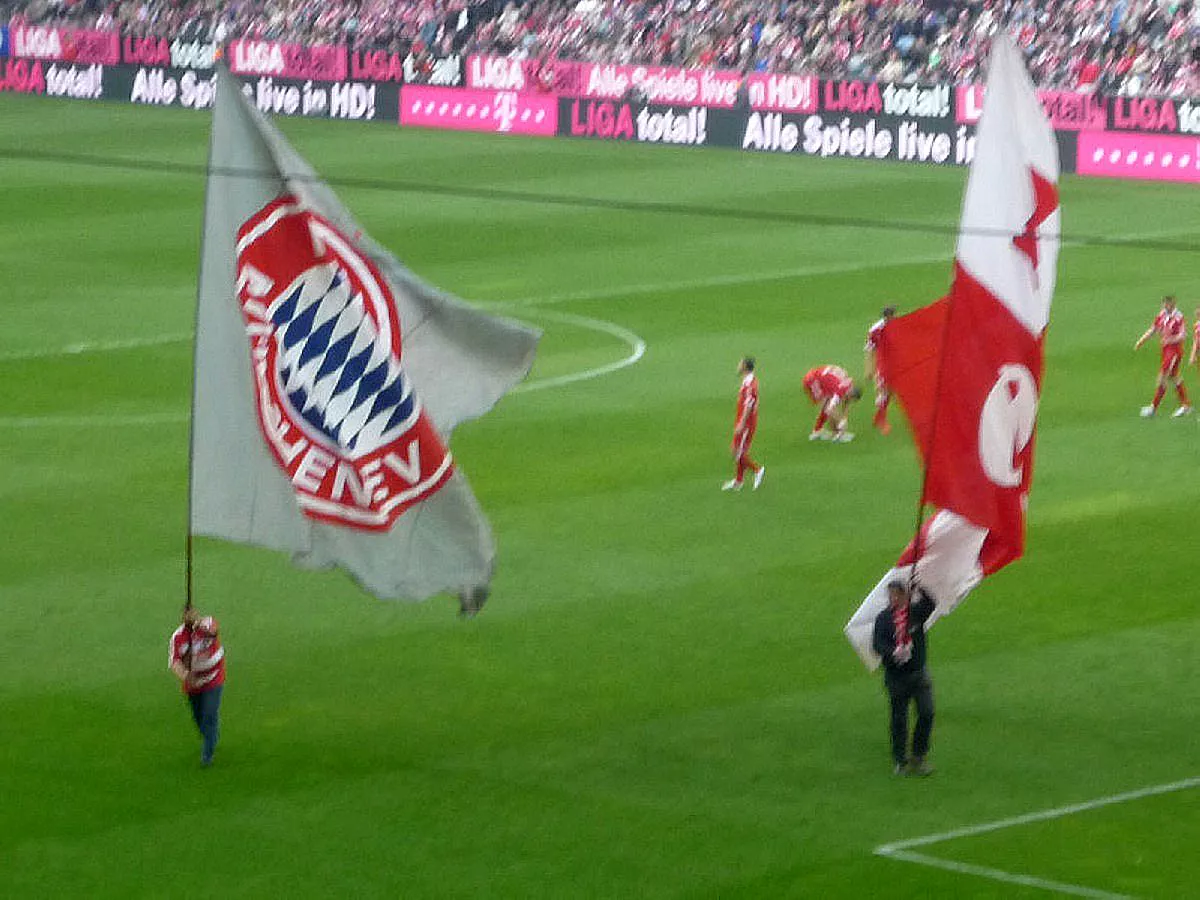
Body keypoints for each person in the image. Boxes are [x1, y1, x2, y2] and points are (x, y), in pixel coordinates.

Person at [872, 579, 937, 777]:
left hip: (918, 674)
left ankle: (918, 755)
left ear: (905, 596)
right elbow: (877, 644)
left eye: (897, 595)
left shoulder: (915, 613)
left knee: (927, 713)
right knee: (899, 719)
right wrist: (894, 652)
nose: (893, 599)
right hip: (896, 677)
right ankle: (900, 760)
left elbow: (931, 604)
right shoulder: (883, 618)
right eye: (890, 595)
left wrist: (921, 588)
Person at [169, 607, 226, 767]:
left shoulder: (207, 624)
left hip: (214, 678)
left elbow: (213, 631)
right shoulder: (178, 637)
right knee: (199, 717)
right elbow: (175, 663)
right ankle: (211, 735)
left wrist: (198, 622)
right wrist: (186, 677)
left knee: (209, 714)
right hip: (193, 684)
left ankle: (207, 755)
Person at [1134, 295, 1192, 417]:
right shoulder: (1162, 315)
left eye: (1167, 304)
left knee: (1163, 378)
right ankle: (1185, 405)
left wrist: (1169, 339)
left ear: (1173, 304)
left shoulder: (1178, 318)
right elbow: (1154, 329)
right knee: (1173, 377)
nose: (1165, 306)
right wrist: (1141, 340)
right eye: (1164, 304)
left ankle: (1153, 408)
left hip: (1174, 352)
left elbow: (1183, 335)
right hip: (1166, 352)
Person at [723, 356, 766, 491]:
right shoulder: (749, 381)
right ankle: (738, 481)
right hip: (744, 420)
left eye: (740, 364)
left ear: (745, 367)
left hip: (747, 423)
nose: (738, 366)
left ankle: (757, 470)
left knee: (737, 451)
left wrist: (742, 423)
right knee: (738, 450)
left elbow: (749, 404)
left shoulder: (749, 385)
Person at [802, 364, 862, 442]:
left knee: (828, 406)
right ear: (849, 394)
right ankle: (830, 432)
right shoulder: (840, 391)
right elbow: (830, 409)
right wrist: (841, 421)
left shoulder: (849, 384)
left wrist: (844, 418)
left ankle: (821, 431)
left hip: (822, 380)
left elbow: (847, 402)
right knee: (825, 406)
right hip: (812, 380)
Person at [864, 305, 897, 435]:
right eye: (891, 315)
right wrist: (869, 369)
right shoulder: (876, 330)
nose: (893, 317)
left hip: (895, 361)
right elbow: (869, 349)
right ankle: (882, 420)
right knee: (882, 390)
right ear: (886, 316)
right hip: (882, 362)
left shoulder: (898, 325)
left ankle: (879, 417)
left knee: (891, 390)